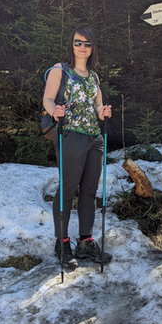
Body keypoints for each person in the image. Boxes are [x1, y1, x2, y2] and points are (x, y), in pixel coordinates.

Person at [42, 26, 113, 268]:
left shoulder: (93, 76)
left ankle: (85, 242)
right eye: (77, 42)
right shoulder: (60, 70)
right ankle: (61, 243)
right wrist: (55, 111)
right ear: (71, 44)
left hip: (95, 139)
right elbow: (48, 98)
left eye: (87, 44)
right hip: (70, 135)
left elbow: (97, 106)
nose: (82, 47)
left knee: (89, 191)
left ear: (93, 48)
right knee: (68, 188)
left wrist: (102, 112)